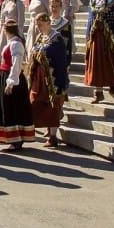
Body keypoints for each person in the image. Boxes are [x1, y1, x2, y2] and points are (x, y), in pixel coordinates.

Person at [27, 13, 70, 148]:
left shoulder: (56, 38)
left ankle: (53, 137)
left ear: (47, 23)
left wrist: (39, 51)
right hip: (39, 77)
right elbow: (35, 50)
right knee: (35, 102)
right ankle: (41, 129)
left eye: (40, 25)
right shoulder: (41, 37)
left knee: (52, 106)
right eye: (37, 25)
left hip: (53, 79)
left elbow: (52, 54)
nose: (38, 28)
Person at [0, 21, 33, 151]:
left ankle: (15, 140)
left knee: (11, 108)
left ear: (6, 30)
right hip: (5, 76)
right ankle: (11, 138)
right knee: (7, 107)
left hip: (11, 78)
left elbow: (16, 64)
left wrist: (11, 82)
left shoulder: (16, 44)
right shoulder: (12, 43)